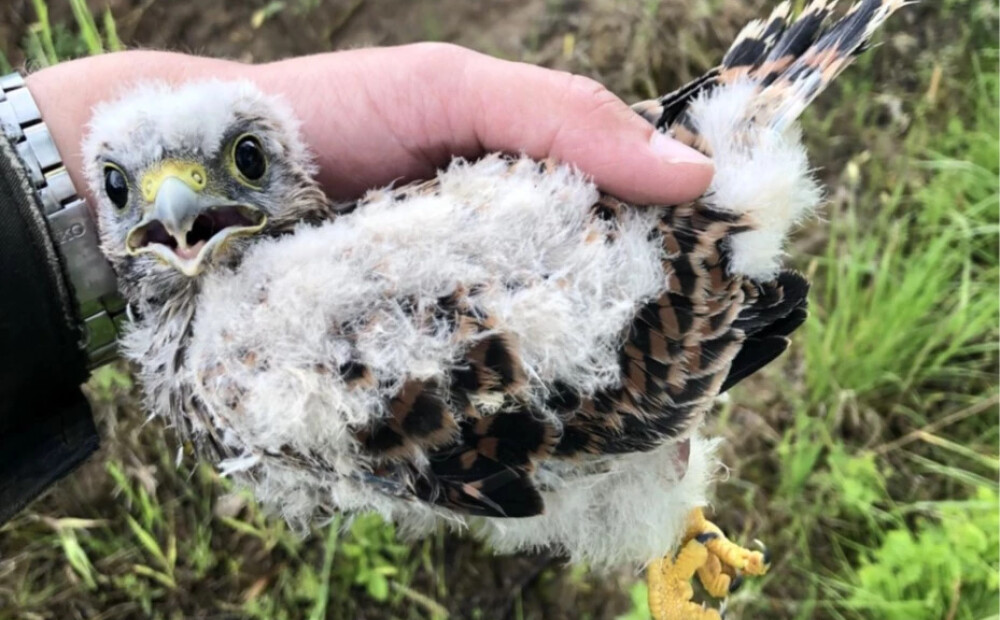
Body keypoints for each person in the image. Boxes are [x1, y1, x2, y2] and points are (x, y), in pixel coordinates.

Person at [0, 45, 713, 523]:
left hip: (677, 234)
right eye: (123, 190)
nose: (175, 207)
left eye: (246, 161)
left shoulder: (292, 363)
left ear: (289, 160)